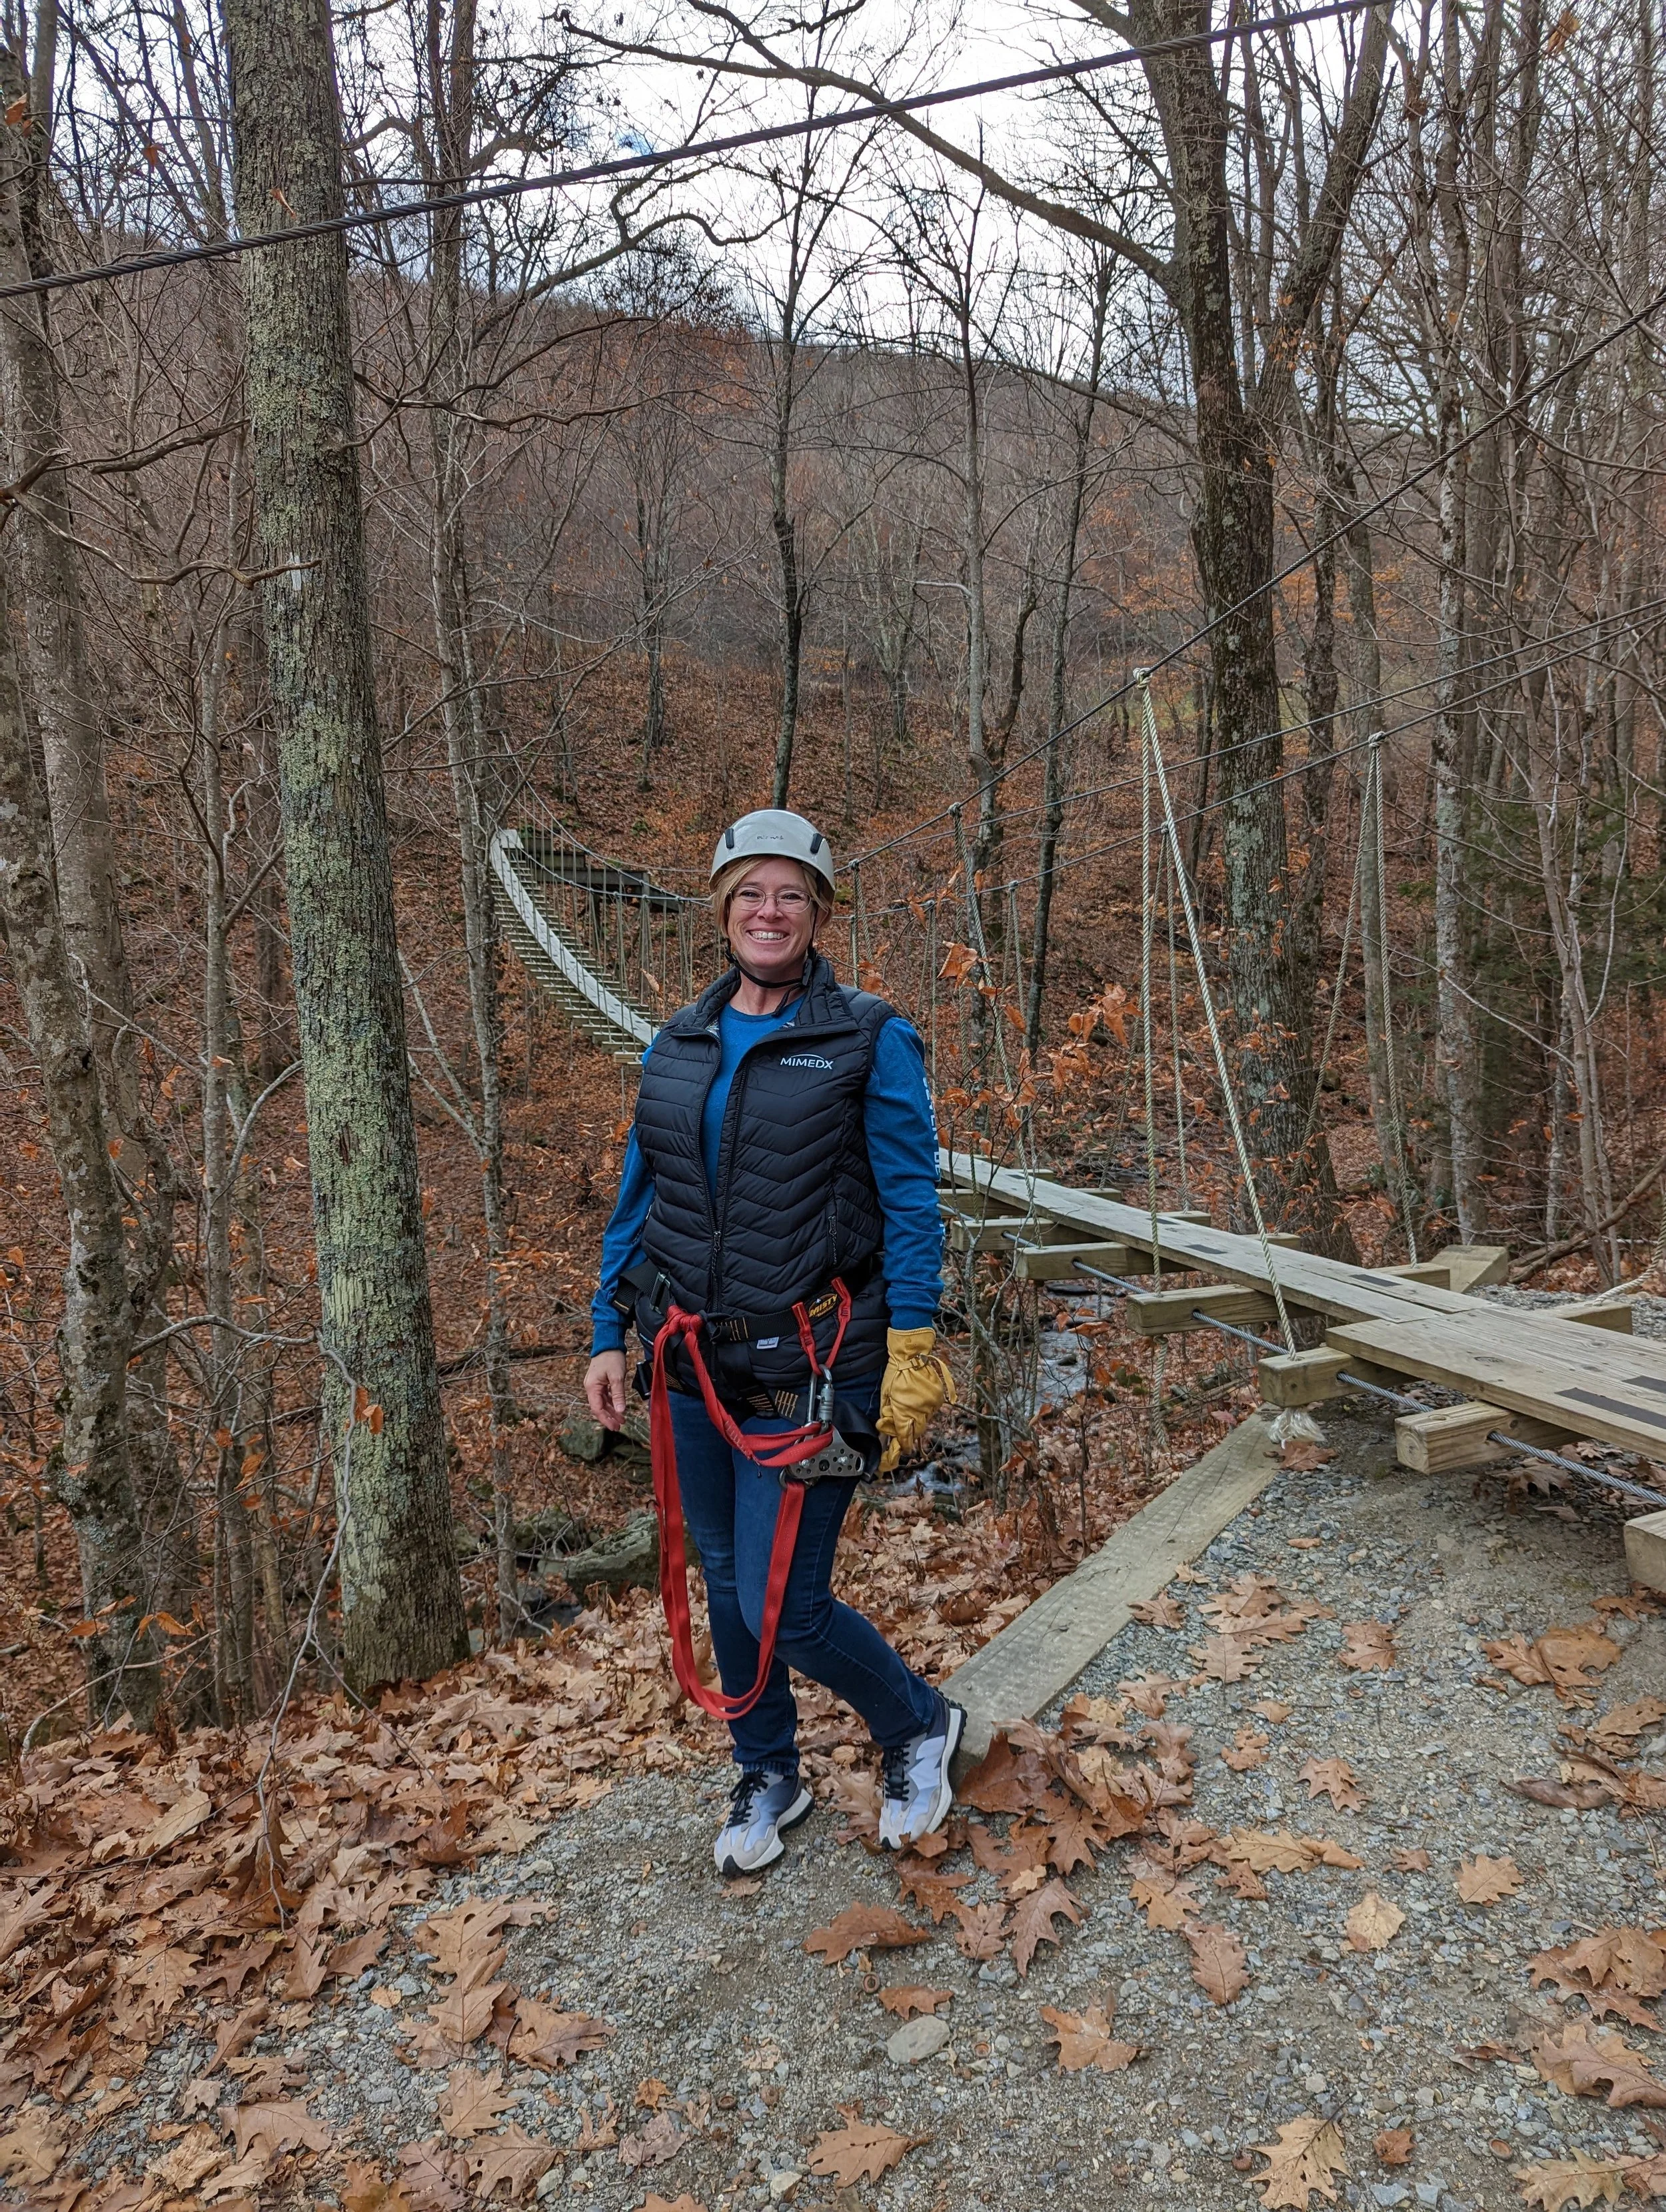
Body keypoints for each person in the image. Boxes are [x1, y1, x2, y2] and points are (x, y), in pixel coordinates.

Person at [584, 808, 960, 1876]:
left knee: (786, 1607)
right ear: (722, 909)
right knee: (722, 1579)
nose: (769, 909)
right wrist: (609, 1328)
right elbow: (638, 1195)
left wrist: (915, 1345)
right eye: (751, 890)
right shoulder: (680, 1040)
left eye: (790, 893)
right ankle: (770, 1764)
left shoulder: (868, 1035)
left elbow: (909, 1202)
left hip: (809, 1368)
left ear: (819, 913)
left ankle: (917, 1723)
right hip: (690, 1365)